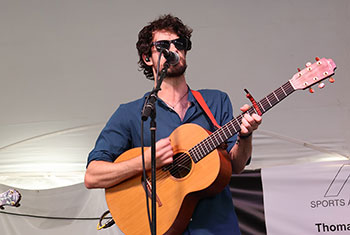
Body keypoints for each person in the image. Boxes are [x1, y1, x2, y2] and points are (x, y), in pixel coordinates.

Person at [85, 14, 262, 235]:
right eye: (162, 46)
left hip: (217, 228)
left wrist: (245, 136)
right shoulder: (130, 114)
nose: (173, 50)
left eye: (179, 44)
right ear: (147, 58)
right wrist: (146, 161)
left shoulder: (215, 101)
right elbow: (92, 176)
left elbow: (235, 165)